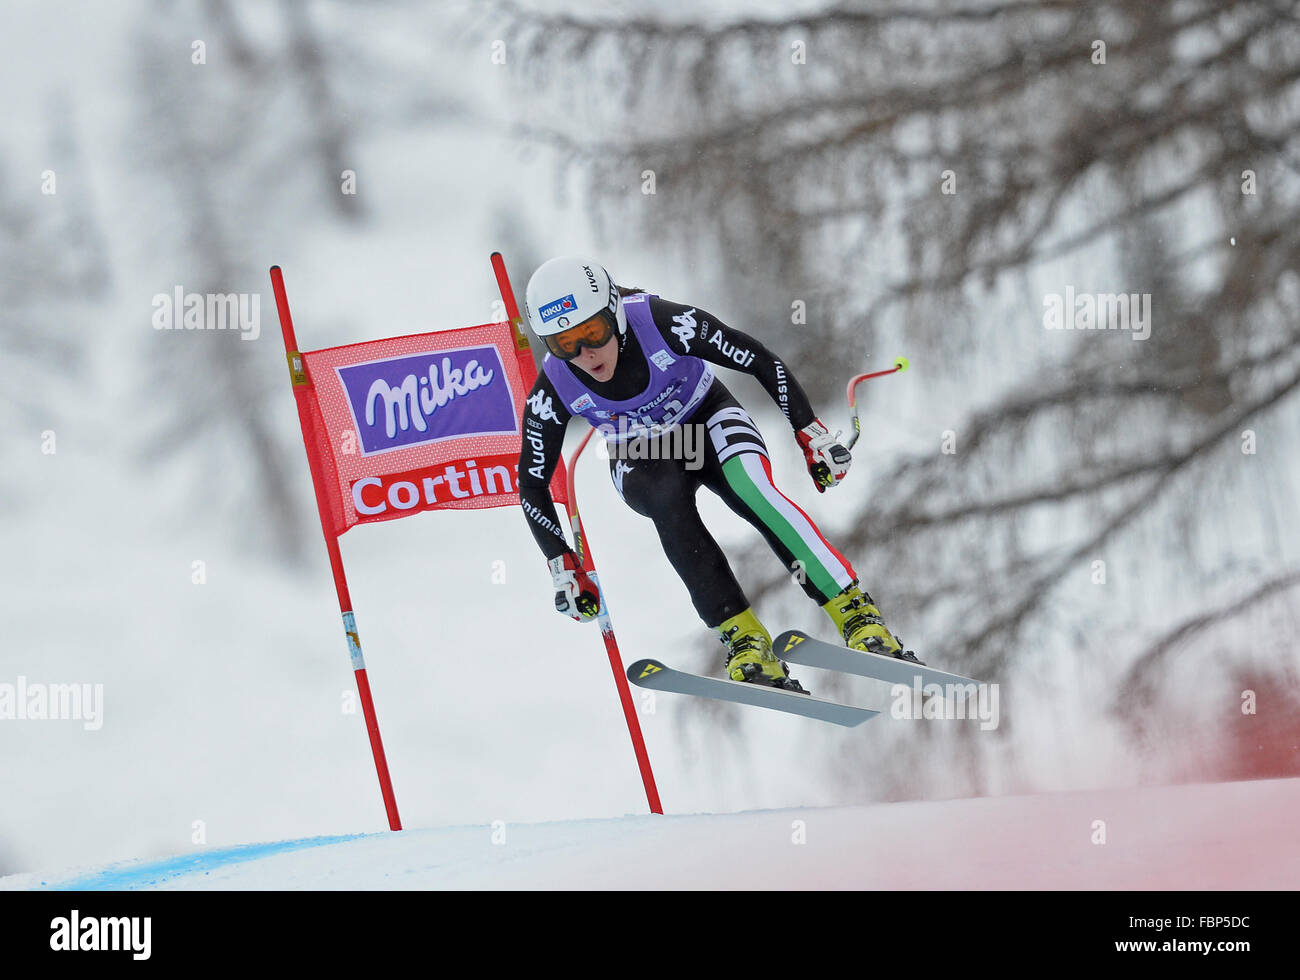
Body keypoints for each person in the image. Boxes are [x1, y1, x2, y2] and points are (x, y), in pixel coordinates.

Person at [516, 255, 917, 692]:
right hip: (640, 452)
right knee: (665, 498)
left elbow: (759, 359)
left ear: (614, 311)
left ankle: (855, 613)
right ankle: (744, 639)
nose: (584, 354)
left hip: (706, 417)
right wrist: (562, 564)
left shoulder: (661, 322)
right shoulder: (554, 387)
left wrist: (810, 433)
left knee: (750, 485)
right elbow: (532, 482)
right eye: (563, 343)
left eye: (592, 333)